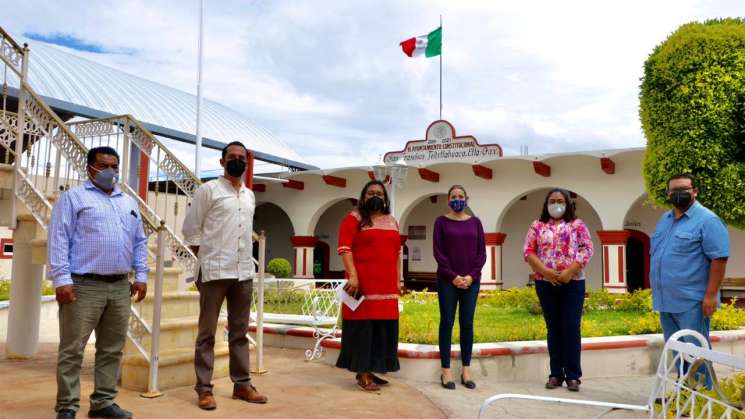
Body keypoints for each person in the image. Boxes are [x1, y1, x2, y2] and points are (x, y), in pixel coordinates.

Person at [48, 146, 148, 419]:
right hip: (83, 285)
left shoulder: (128, 202)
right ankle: (67, 407)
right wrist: (61, 280)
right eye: (103, 166)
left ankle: (103, 402)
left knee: (111, 348)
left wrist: (141, 275)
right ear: (89, 168)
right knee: (72, 349)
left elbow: (139, 241)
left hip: (119, 286)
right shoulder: (73, 199)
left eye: (114, 166)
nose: (109, 171)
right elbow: (59, 240)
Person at [182, 141, 267, 410]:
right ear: (222, 162)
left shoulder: (249, 195)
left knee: (240, 332)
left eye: (242, 157)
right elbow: (191, 230)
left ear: (247, 162)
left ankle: (242, 385)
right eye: (232, 157)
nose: (237, 160)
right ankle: (204, 389)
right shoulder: (208, 190)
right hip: (215, 270)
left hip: (243, 271)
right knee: (207, 333)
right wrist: (208, 257)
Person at [650, 174, 729, 387]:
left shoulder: (708, 220)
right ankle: (685, 394)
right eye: (674, 190)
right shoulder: (665, 220)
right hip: (666, 301)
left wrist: (711, 295)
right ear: (668, 194)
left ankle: (705, 396)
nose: (679, 194)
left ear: (695, 191)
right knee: (678, 352)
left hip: (692, 301)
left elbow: (719, 258)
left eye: (684, 189)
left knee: (697, 352)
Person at [523, 188, 594, 392]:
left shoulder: (577, 225)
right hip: (545, 283)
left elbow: (587, 248)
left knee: (571, 326)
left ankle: (573, 376)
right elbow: (528, 252)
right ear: (546, 204)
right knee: (553, 327)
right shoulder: (537, 226)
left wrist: (569, 271)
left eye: (560, 200)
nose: (556, 204)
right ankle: (556, 374)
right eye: (552, 201)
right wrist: (546, 272)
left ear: (568, 203)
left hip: (573, 282)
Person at [336, 180, 401, 391]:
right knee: (363, 330)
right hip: (362, 286)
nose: (376, 196)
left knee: (382, 330)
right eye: (371, 193)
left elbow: (397, 253)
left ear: (385, 198)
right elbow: (345, 248)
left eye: (380, 194)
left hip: (387, 287)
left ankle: (372, 369)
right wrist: (353, 276)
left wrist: (399, 280)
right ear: (363, 197)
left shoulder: (392, 221)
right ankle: (362, 373)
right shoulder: (353, 219)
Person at [433, 185, 486, 390]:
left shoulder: (476, 223)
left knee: (467, 323)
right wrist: (453, 276)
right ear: (448, 200)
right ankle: (445, 370)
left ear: (467, 199)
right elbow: (439, 252)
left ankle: (466, 369)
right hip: (447, 281)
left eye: (461, 196)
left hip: (471, 282)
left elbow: (481, 253)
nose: (457, 199)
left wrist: (471, 277)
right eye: (453, 197)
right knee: (446, 322)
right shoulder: (441, 222)